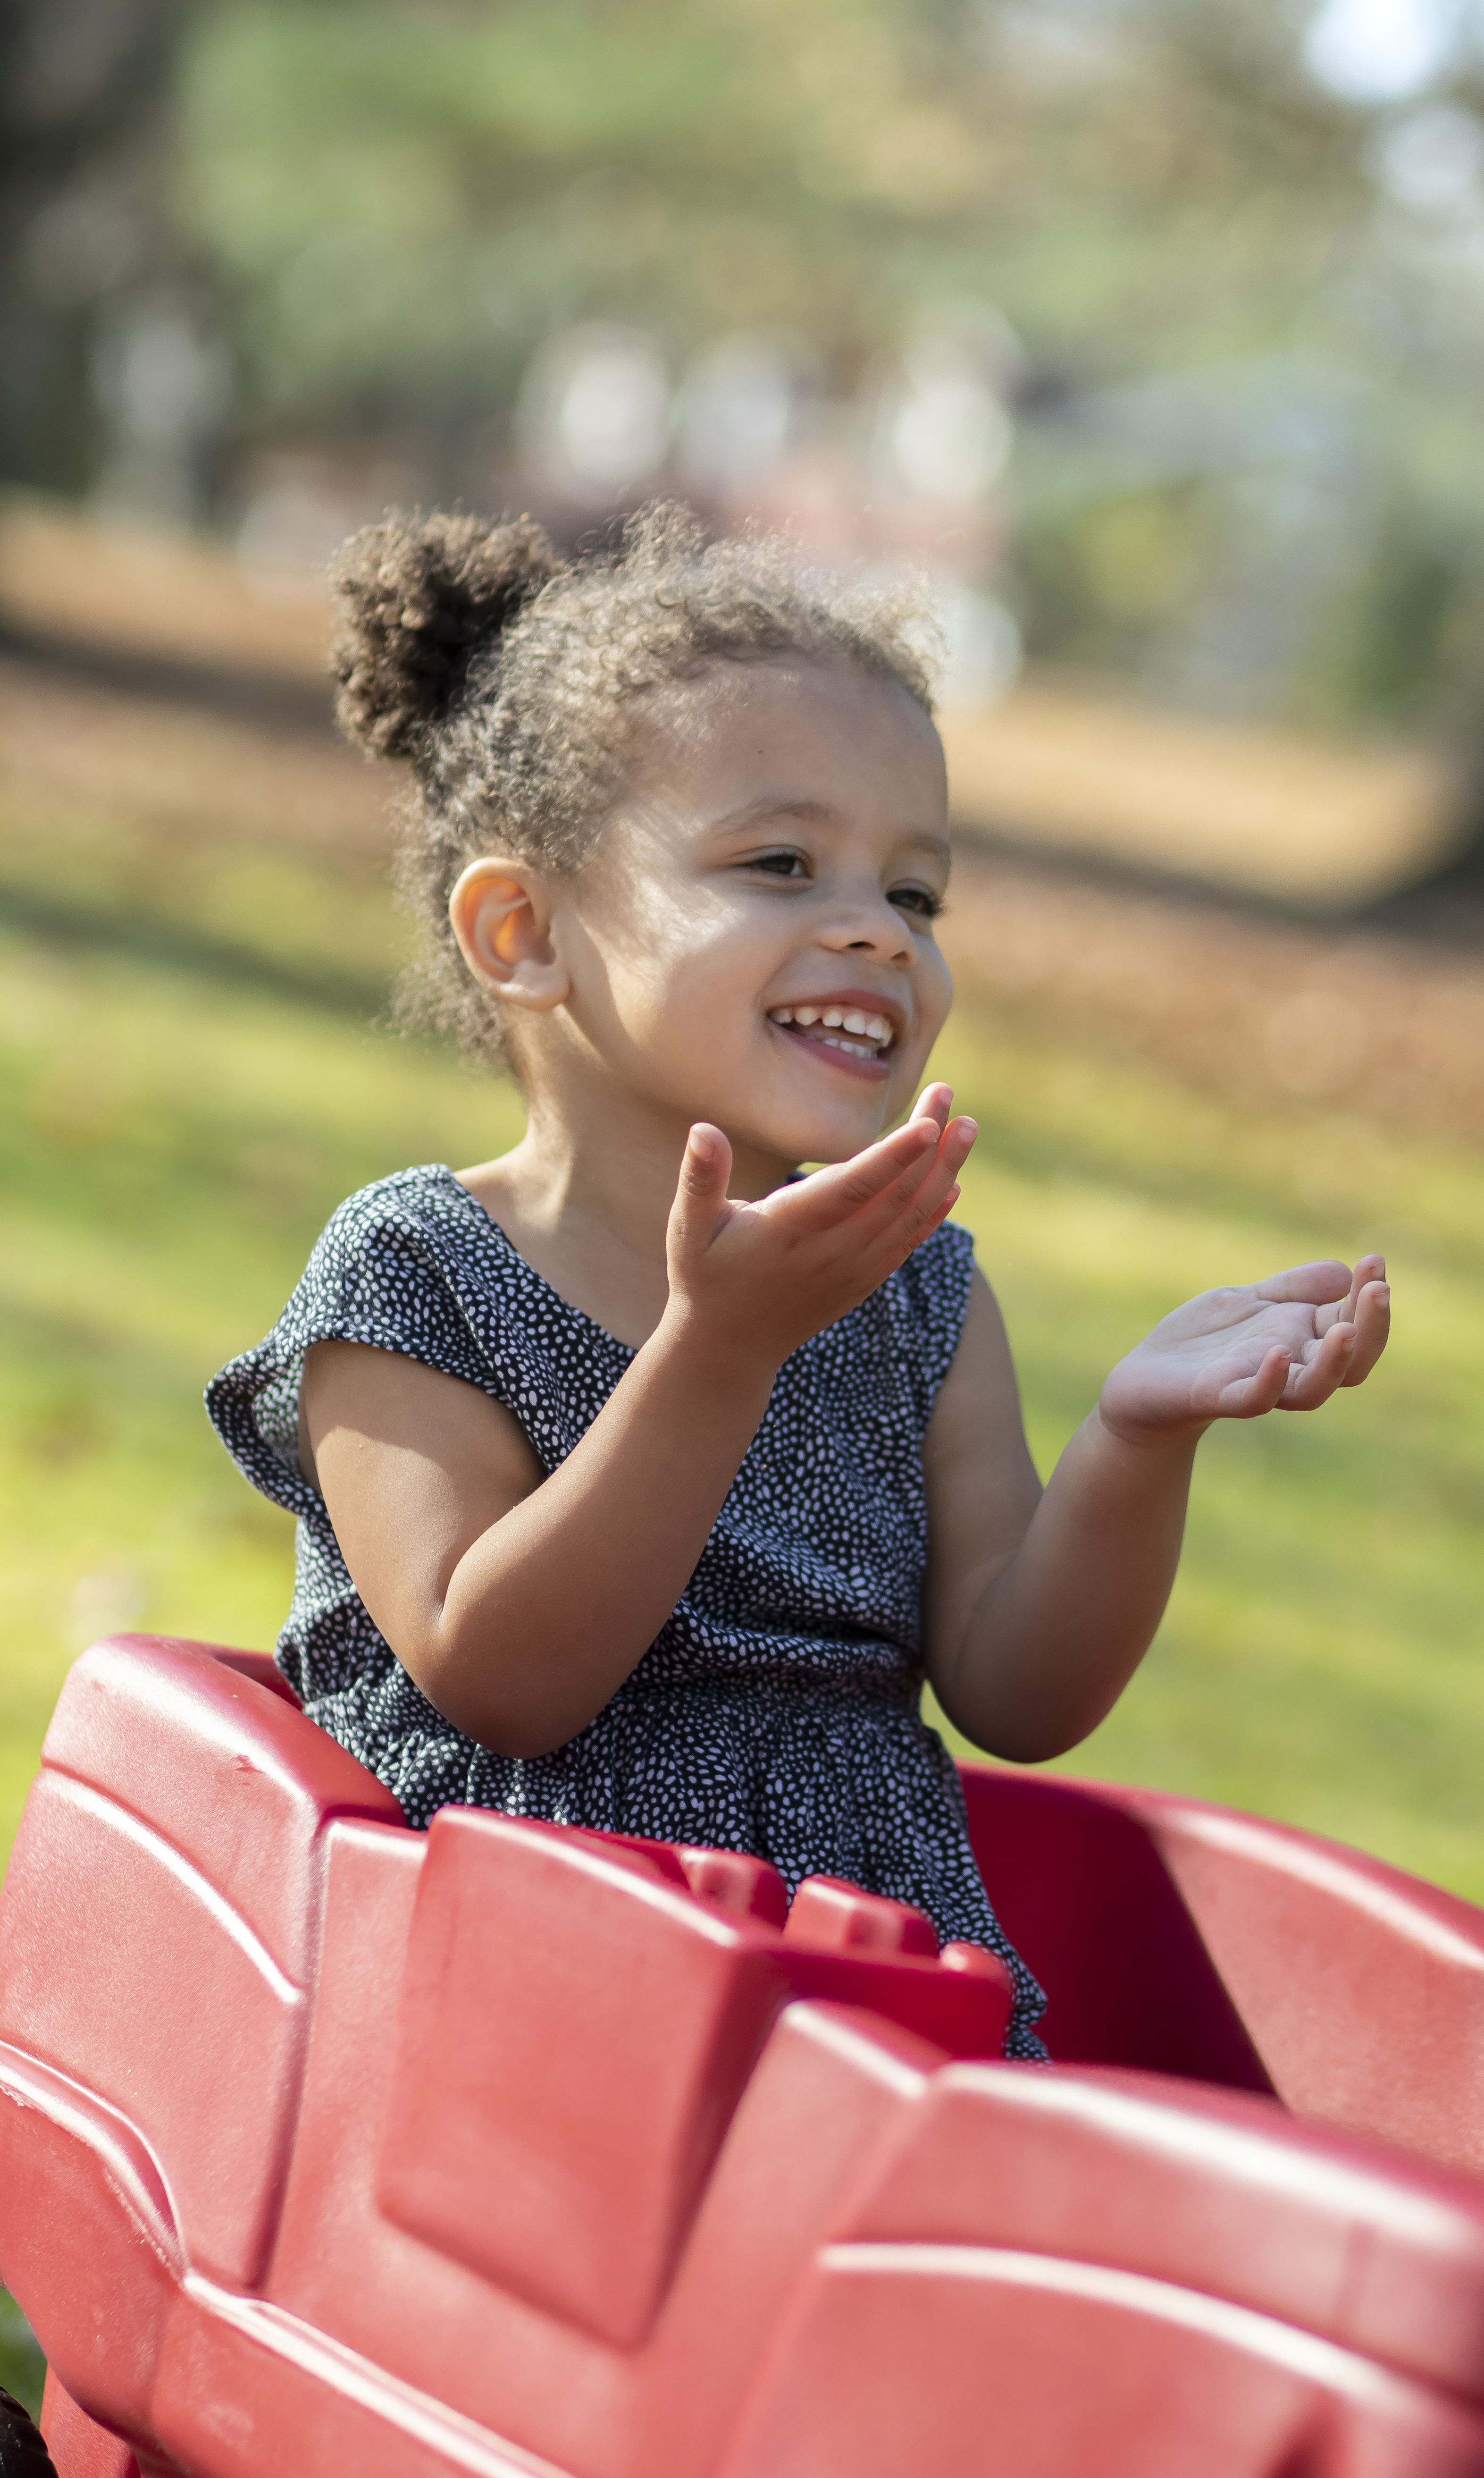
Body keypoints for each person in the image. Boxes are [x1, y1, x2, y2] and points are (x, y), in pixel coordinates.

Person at [207, 507, 1391, 2058]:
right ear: (525, 932)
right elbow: (505, 1678)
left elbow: (1018, 1695)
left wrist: (1133, 1439)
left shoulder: (916, 1300)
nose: (876, 934)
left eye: (915, 894)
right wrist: (720, 1349)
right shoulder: (419, 1274)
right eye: (780, 864)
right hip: (512, 1997)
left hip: (866, 2001)